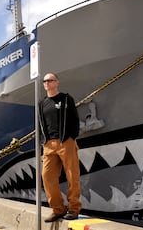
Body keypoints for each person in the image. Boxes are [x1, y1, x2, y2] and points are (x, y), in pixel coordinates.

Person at [38, 73, 82, 222]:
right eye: (44, 81)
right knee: (47, 176)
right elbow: (41, 124)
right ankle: (58, 209)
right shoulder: (41, 103)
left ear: (57, 82)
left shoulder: (66, 99)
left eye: (49, 80)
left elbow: (75, 119)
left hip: (65, 142)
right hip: (49, 145)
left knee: (72, 175)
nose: (46, 83)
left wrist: (71, 137)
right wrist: (43, 142)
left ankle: (74, 208)